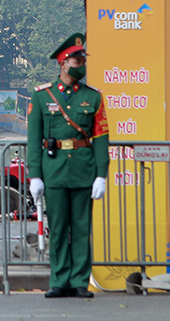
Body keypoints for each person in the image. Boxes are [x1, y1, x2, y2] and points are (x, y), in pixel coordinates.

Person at [26, 34, 109, 299]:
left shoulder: (93, 97)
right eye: (77, 59)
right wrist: (35, 176)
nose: (81, 63)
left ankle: (80, 281)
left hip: (84, 170)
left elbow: (100, 138)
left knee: (82, 228)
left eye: (83, 58)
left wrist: (101, 175)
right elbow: (33, 140)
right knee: (59, 227)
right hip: (54, 170)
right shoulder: (41, 96)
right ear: (63, 63)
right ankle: (59, 279)